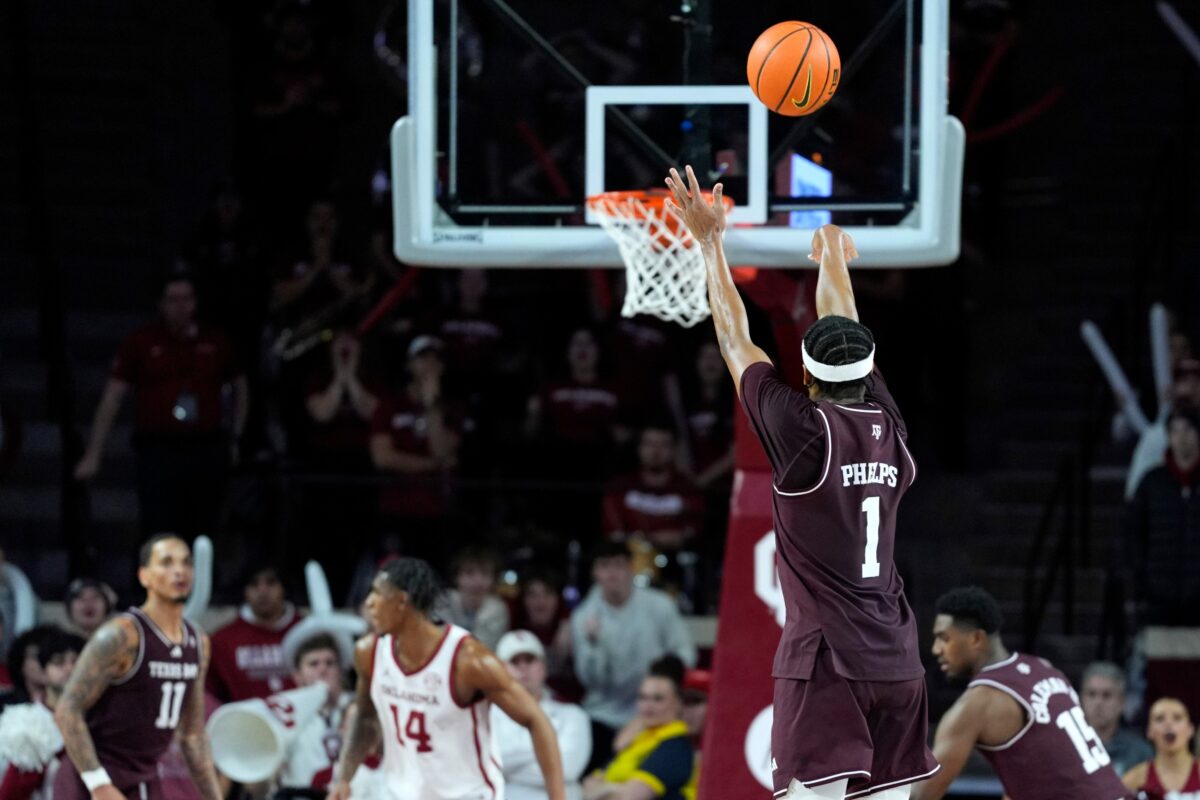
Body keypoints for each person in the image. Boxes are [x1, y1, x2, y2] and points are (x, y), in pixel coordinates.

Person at [666, 165, 936, 799]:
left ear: (808, 379)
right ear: (869, 371)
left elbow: (736, 340)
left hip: (828, 662)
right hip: (898, 658)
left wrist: (710, 243)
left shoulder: (803, 431)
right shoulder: (888, 422)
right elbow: (843, 320)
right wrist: (834, 252)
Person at [327, 557, 566, 800]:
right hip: (400, 792)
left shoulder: (469, 660)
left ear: (401, 601)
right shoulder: (369, 652)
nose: (368, 604)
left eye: (377, 594)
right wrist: (344, 778)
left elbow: (537, 721)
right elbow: (366, 717)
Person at [912, 586, 1132, 800]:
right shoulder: (1044, 668)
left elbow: (923, 796)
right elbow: (1036, 771)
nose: (936, 649)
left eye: (944, 638)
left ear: (976, 639)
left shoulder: (977, 704)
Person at [73, 274, 248, 535]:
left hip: (205, 447)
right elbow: (113, 396)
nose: (180, 306)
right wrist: (94, 453)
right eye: (173, 300)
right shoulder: (141, 342)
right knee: (157, 527)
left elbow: (241, 388)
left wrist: (235, 436)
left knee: (205, 527)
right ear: (161, 304)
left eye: (186, 299)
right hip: (159, 450)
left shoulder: (216, 341)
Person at [52, 534, 223, 800]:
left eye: (186, 563)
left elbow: (191, 734)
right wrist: (98, 784)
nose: (179, 571)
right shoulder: (122, 635)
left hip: (142, 775)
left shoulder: (198, 642)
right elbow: (67, 709)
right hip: (93, 774)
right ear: (144, 576)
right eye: (166, 562)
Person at [571, 541, 696, 771]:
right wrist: (594, 646)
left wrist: (660, 682)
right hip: (603, 714)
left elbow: (685, 654)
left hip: (656, 711)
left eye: (619, 565)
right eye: (605, 566)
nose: (612, 574)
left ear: (631, 568)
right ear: (595, 572)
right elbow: (589, 681)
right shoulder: (583, 617)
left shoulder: (660, 605)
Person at [492, 630, 592, 800]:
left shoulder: (574, 715)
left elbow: (567, 770)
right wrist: (549, 754)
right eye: (514, 661)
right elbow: (488, 764)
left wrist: (506, 767)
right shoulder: (486, 716)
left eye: (530, 660)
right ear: (500, 669)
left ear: (543, 667)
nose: (523, 667)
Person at [1123, 408, 1200, 626]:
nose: (1181, 438)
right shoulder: (1152, 482)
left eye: (1187, 430)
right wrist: (1144, 579)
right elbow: (1134, 533)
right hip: (1158, 595)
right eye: (1174, 431)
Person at [582, 655, 696, 800]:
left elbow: (628, 797)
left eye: (658, 699)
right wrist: (614, 788)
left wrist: (606, 788)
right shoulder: (639, 738)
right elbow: (587, 785)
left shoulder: (674, 747)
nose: (648, 706)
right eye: (643, 697)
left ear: (679, 702)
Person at [0, 630, 86, 799]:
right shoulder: (26, 722)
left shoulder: (101, 720)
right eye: (59, 662)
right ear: (44, 671)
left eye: (76, 662)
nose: (69, 669)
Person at [208, 564, 301, 702]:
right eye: (254, 584)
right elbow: (209, 696)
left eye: (271, 582)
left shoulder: (306, 632)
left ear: (283, 588)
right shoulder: (222, 641)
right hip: (243, 722)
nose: (263, 591)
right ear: (245, 591)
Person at [276, 632, 355, 792]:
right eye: (313, 664)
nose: (323, 669)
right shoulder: (283, 712)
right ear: (297, 677)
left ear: (340, 671)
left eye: (330, 663)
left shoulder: (358, 706)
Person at [1080, 662, 1154, 778]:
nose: (1098, 703)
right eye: (1091, 694)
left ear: (1121, 702)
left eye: (1107, 695)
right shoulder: (1067, 749)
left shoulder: (1140, 753)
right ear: (1081, 700)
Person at [1122, 697, 1200, 799]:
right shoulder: (1134, 780)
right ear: (1149, 731)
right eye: (1159, 719)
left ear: (1190, 729)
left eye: (1177, 718)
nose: (1168, 724)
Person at [441, 546, 510, 651]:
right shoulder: (443, 603)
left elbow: (481, 651)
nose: (478, 582)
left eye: (485, 573)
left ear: (493, 579)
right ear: (457, 577)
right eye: (469, 573)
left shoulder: (498, 610)